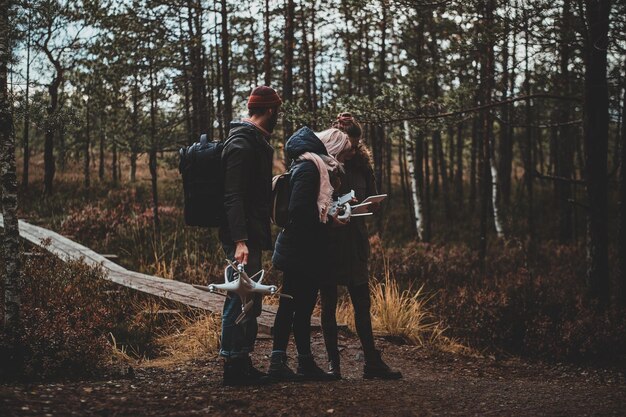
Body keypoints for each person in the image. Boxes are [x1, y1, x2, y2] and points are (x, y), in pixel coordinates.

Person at [319, 113, 402, 380]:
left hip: (355, 242)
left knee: (362, 302)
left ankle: (372, 363)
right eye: (348, 145)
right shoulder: (322, 163)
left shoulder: (364, 165)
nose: (353, 150)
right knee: (329, 303)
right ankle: (334, 365)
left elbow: (372, 201)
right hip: (330, 243)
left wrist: (372, 205)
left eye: (356, 145)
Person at [268, 126, 352, 381]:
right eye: (343, 154)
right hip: (299, 250)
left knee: (302, 307)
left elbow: (309, 209)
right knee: (290, 305)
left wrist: (329, 214)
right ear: (334, 149)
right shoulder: (310, 168)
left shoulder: (315, 167)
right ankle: (278, 361)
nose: (343, 159)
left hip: (305, 249)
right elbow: (299, 211)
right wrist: (329, 221)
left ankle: (303, 362)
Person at [219, 86, 282, 386]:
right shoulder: (241, 145)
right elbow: (232, 197)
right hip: (241, 239)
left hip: (251, 235)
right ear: (270, 111)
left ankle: (242, 360)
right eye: (277, 111)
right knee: (238, 297)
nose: (277, 116)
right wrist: (239, 241)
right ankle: (232, 366)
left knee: (251, 300)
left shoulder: (255, 143)